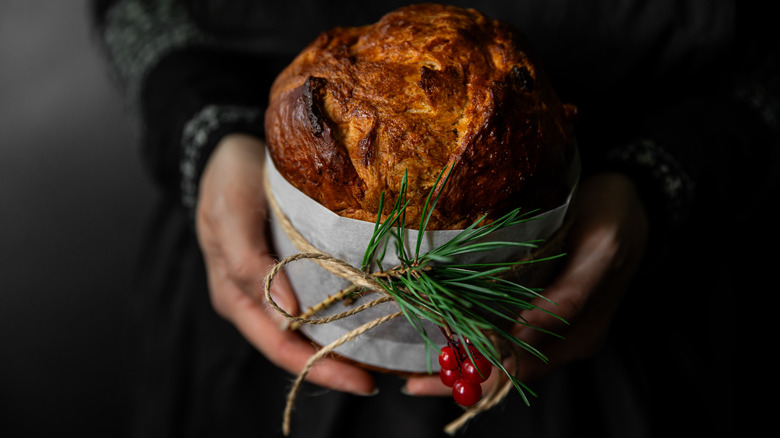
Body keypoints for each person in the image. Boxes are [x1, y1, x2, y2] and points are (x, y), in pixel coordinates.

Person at [91, 1, 773, 436]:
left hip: (628, 322)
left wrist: (666, 176)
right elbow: (138, 8)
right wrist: (199, 129)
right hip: (257, 294)